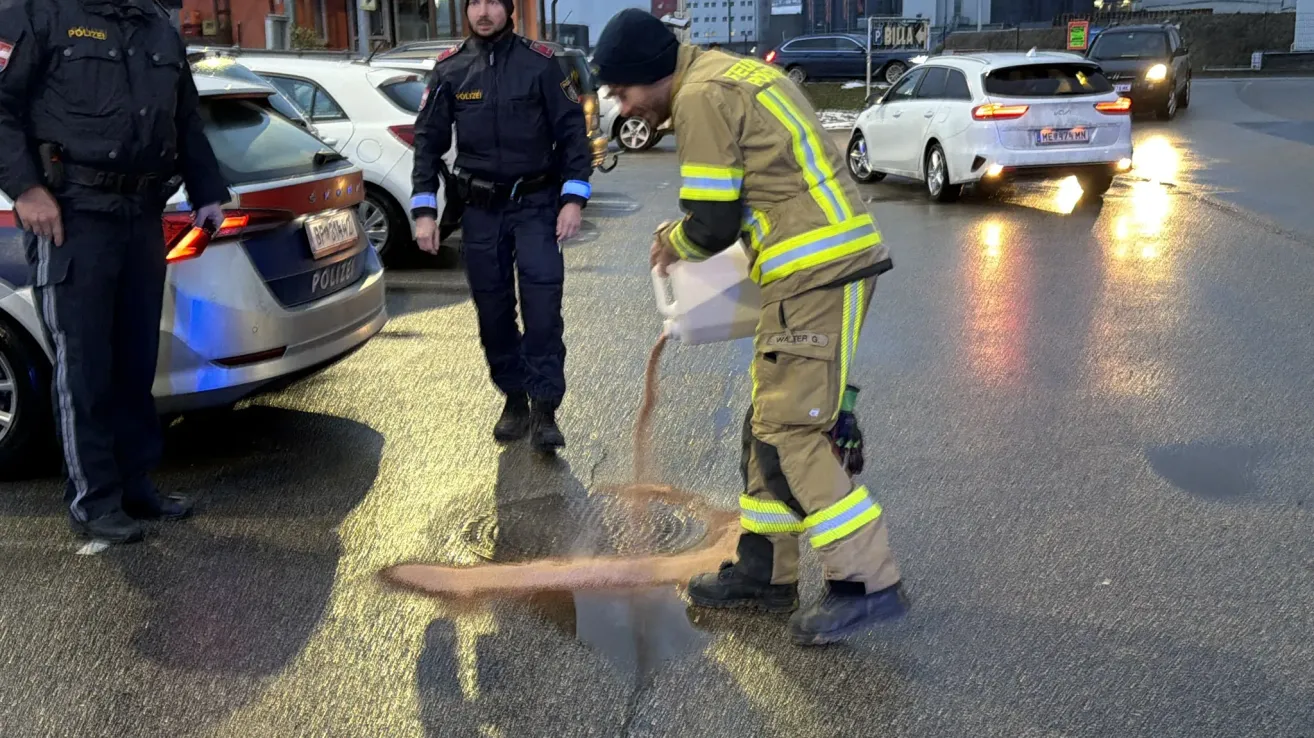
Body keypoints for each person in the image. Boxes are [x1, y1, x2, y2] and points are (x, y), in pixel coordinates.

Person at [592, 9, 909, 646]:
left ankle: (866, 584)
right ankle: (765, 574)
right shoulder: (729, 75)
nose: (625, 110)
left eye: (624, 94)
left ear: (653, 76)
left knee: (793, 429)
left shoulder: (703, 96)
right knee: (766, 422)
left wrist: (673, 244)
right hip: (813, 269)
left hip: (815, 271)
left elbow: (709, 221)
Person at [0, 0, 228, 544]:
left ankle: (134, 485)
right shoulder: (39, 14)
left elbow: (185, 116)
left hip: (142, 213)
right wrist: (26, 189)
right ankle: (93, 498)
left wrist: (208, 191)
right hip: (72, 214)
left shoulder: (155, 25)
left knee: (134, 359)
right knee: (85, 363)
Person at [410, 0, 593, 453]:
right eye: (475, 3)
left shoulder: (541, 64)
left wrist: (573, 200)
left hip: (536, 206)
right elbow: (427, 144)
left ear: (508, 9)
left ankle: (545, 408)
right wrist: (424, 210)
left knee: (542, 309)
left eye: (494, 2)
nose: (484, 11)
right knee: (493, 314)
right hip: (480, 211)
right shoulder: (451, 70)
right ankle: (513, 397)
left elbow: (573, 135)